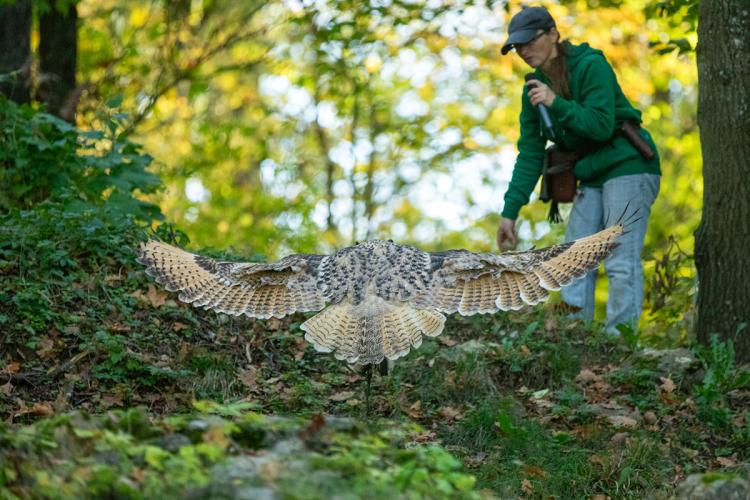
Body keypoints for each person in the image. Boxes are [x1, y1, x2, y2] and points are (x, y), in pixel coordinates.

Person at [496, 6, 661, 334]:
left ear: (553, 34)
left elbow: (601, 126)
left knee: (619, 258)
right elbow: (530, 155)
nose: (524, 51)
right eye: (517, 46)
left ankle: (620, 346)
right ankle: (576, 342)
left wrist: (556, 103)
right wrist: (509, 213)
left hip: (629, 164)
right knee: (574, 261)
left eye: (530, 41)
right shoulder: (532, 90)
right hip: (593, 173)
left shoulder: (590, 65)